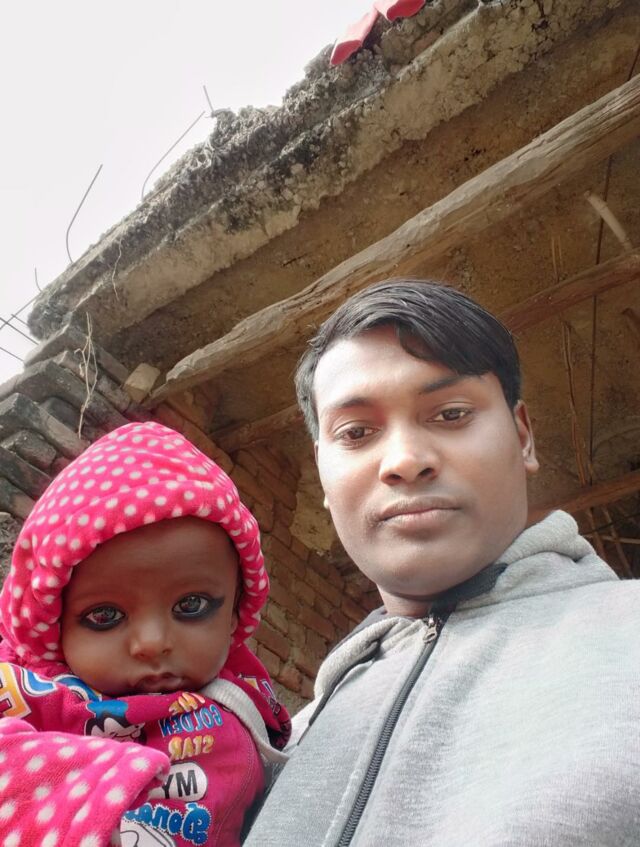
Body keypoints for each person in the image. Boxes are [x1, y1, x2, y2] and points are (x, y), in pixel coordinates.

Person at [246, 279, 640, 846]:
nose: (405, 460)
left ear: (523, 438)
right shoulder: (275, 750)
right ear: (324, 478)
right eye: (356, 433)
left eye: (451, 413)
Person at [0, 421, 290, 847]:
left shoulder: (217, 735)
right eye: (104, 615)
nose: (152, 643)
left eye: (192, 606)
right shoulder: (20, 682)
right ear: (51, 626)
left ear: (234, 615)